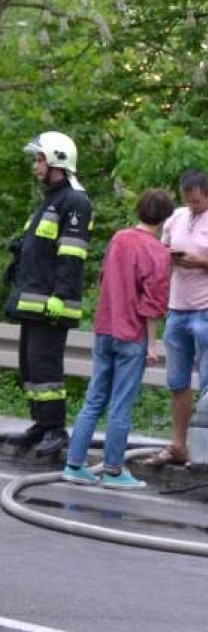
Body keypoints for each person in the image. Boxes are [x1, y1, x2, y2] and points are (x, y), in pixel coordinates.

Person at [61, 190, 174, 488]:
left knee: (94, 399)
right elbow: (153, 304)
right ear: (165, 218)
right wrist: (151, 344)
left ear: (139, 210)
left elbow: (102, 280)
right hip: (131, 335)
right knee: (120, 405)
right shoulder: (159, 252)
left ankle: (74, 465)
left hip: (104, 328)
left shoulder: (119, 238)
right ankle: (113, 471)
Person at [143, 168, 208, 467]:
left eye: (198, 202)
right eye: (188, 202)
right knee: (177, 382)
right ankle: (179, 445)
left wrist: (203, 262)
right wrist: (169, 257)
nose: (193, 207)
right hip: (178, 309)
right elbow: (160, 252)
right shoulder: (176, 218)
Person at [3, 131, 92, 457]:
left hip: (52, 304)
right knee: (29, 367)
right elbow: (40, 248)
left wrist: (61, 295)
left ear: (57, 159)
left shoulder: (75, 201)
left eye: (40, 159)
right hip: (34, 300)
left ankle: (56, 429)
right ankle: (41, 424)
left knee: (46, 368)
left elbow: (72, 254)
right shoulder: (51, 200)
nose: (36, 166)